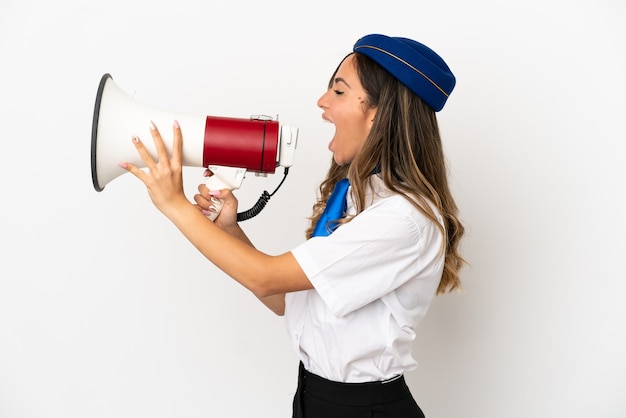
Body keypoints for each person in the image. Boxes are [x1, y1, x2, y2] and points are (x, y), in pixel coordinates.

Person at [119, 33, 465, 418]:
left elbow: (263, 278)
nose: (322, 101)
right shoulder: (356, 195)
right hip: (313, 397)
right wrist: (230, 229)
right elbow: (286, 300)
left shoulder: (403, 218)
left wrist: (173, 204)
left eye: (338, 91)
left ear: (377, 113)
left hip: (363, 409)